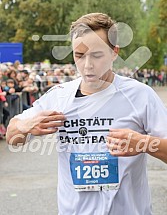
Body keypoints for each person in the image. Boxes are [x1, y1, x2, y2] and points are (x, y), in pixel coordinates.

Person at [6, 13, 167, 215]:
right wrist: (24, 126)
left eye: (97, 55)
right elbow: (12, 136)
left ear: (114, 52)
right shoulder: (59, 97)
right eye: (79, 55)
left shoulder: (140, 96)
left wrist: (144, 142)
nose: (87, 65)